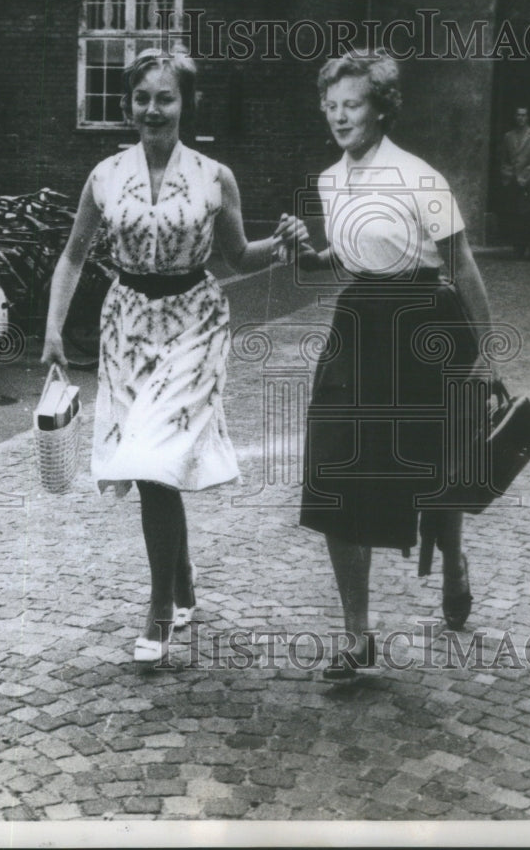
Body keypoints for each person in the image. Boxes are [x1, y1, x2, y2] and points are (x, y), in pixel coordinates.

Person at [41, 48, 303, 667]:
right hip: (127, 324)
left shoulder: (215, 176)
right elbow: (75, 255)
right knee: (145, 460)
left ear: (186, 103)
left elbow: (237, 256)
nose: (152, 109)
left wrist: (283, 245)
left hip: (194, 323)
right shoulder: (104, 175)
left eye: (166, 97)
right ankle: (181, 576)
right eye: (142, 98)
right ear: (127, 104)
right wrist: (52, 329)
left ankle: (159, 608)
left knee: (155, 461)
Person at [295, 51, 497, 680]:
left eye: (351, 104)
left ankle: (454, 559)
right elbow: (346, 260)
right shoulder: (331, 181)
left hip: (426, 325)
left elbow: (462, 265)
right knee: (333, 467)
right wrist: (305, 254)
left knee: (436, 465)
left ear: (381, 106)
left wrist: (486, 356)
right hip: (360, 327)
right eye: (330, 106)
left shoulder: (420, 177)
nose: (339, 116)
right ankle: (357, 635)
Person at [500, 106, 530, 259]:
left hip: (528, 181)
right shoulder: (508, 136)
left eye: (524, 115)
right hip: (512, 181)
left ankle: (526, 246)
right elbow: (504, 160)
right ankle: (516, 247)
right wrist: (508, 174)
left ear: (528, 117)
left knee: (527, 214)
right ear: (515, 117)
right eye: (518, 115)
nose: (520, 118)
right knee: (513, 214)